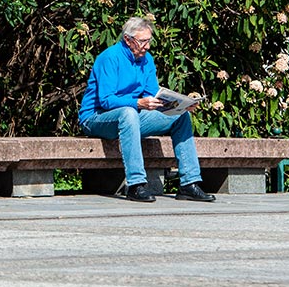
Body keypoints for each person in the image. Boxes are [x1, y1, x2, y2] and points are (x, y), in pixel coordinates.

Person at [77, 16, 216, 203]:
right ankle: (135, 185)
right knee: (129, 112)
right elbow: (106, 100)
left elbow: (153, 93)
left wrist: (180, 104)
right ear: (127, 40)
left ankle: (188, 184)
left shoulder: (146, 59)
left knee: (181, 116)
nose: (147, 46)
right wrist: (137, 103)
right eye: (143, 41)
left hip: (131, 117)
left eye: (149, 41)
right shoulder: (109, 58)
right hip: (96, 118)